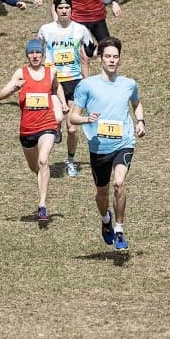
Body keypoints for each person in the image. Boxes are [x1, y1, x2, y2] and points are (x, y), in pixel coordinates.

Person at [68, 37, 145, 253]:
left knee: (119, 183)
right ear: (100, 58)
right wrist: (86, 119)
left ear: (120, 60)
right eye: (108, 56)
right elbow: (73, 117)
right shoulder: (87, 85)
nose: (112, 60)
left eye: (115, 57)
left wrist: (140, 122)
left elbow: (137, 105)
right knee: (102, 193)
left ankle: (119, 229)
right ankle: (105, 219)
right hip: (99, 147)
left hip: (124, 142)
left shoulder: (129, 84)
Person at [0, 39, 66, 221]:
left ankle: (42, 205)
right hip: (27, 130)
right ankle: (42, 181)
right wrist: (14, 87)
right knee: (35, 167)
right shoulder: (21, 72)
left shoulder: (51, 72)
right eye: (31, 53)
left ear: (42, 55)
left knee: (44, 161)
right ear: (27, 55)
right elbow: (0, 95)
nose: (35, 56)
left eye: (38, 53)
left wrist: (63, 103)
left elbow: (57, 88)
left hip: (47, 125)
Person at [36, 0, 94, 176]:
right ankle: (55, 128)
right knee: (58, 117)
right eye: (60, 8)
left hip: (74, 81)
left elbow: (90, 49)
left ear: (71, 10)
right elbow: (37, 51)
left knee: (72, 128)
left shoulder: (80, 29)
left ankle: (70, 161)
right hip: (53, 80)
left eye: (67, 8)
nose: (63, 11)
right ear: (55, 9)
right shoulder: (46, 30)